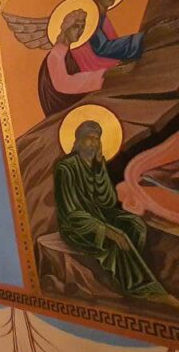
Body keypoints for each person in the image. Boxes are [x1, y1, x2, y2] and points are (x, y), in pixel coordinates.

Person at [54, 121, 179, 307]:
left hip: (100, 215)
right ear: (78, 140)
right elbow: (72, 212)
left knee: (134, 224)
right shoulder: (66, 168)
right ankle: (143, 290)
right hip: (77, 224)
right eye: (89, 139)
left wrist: (99, 170)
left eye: (96, 139)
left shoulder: (95, 163)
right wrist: (107, 230)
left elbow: (107, 201)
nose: (93, 143)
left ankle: (130, 272)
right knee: (117, 239)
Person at [37, 7, 106, 117]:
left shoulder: (67, 53)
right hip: (62, 109)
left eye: (82, 27)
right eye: (76, 26)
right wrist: (101, 77)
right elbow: (64, 84)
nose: (80, 31)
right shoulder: (55, 55)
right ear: (66, 28)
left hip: (72, 104)